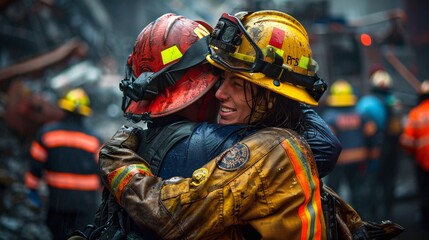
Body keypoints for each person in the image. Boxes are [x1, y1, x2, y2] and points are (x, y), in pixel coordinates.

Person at [95, 10, 341, 240]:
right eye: (219, 78)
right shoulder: (232, 145)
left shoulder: (145, 142)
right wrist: (283, 82)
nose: (218, 92)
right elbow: (325, 147)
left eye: (235, 82)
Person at [25, 88, 103, 240]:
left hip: (57, 203)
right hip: (85, 205)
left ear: (64, 107)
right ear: (85, 112)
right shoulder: (94, 139)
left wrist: (32, 191)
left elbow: (35, 167)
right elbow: (103, 171)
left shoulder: (47, 133)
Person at [322, 79, 374, 219]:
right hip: (359, 158)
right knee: (358, 190)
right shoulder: (360, 114)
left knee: (333, 192)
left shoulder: (330, 116)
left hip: (339, 160)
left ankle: (336, 220)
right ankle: (361, 219)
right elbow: (371, 132)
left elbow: (328, 141)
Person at [356, 68, 403, 219]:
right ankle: (388, 215)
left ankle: (373, 217)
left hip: (374, 151)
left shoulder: (366, 103)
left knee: (372, 183)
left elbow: (364, 131)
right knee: (388, 183)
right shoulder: (395, 103)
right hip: (391, 151)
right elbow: (399, 130)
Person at [400, 80, 429, 229]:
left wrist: (411, 153)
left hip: (424, 161)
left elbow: (408, 142)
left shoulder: (416, 114)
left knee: (425, 192)